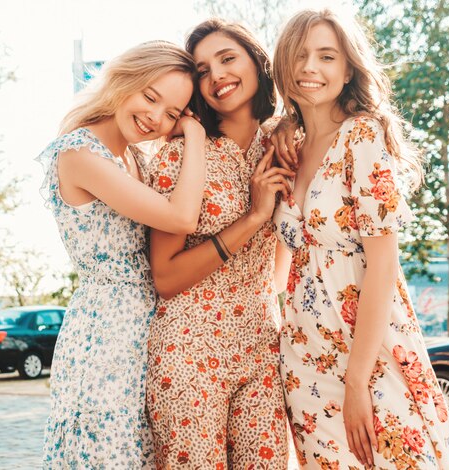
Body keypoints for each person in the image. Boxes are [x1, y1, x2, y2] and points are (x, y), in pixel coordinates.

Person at [271, 8, 449, 469]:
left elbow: (383, 264)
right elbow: (283, 269)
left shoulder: (362, 135)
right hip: (303, 354)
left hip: (370, 350)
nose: (310, 69)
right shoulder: (288, 150)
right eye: (299, 56)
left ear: (348, 68)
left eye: (326, 56)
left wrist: (358, 381)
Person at [38, 40, 206, 469]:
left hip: (147, 332)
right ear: (123, 81)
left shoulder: (132, 158)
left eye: (172, 113)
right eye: (150, 97)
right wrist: (195, 134)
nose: (155, 117)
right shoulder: (79, 153)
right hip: (105, 335)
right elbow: (181, 217)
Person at [145, 19, 293, 469]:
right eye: (203, 70)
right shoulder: (183, 153)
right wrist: (252, 218)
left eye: (227, 59)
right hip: (190, 351)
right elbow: (166, 276)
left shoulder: (288, 143)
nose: (217, 76)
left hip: (263, 347)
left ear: (256, 61)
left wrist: (291, 121)